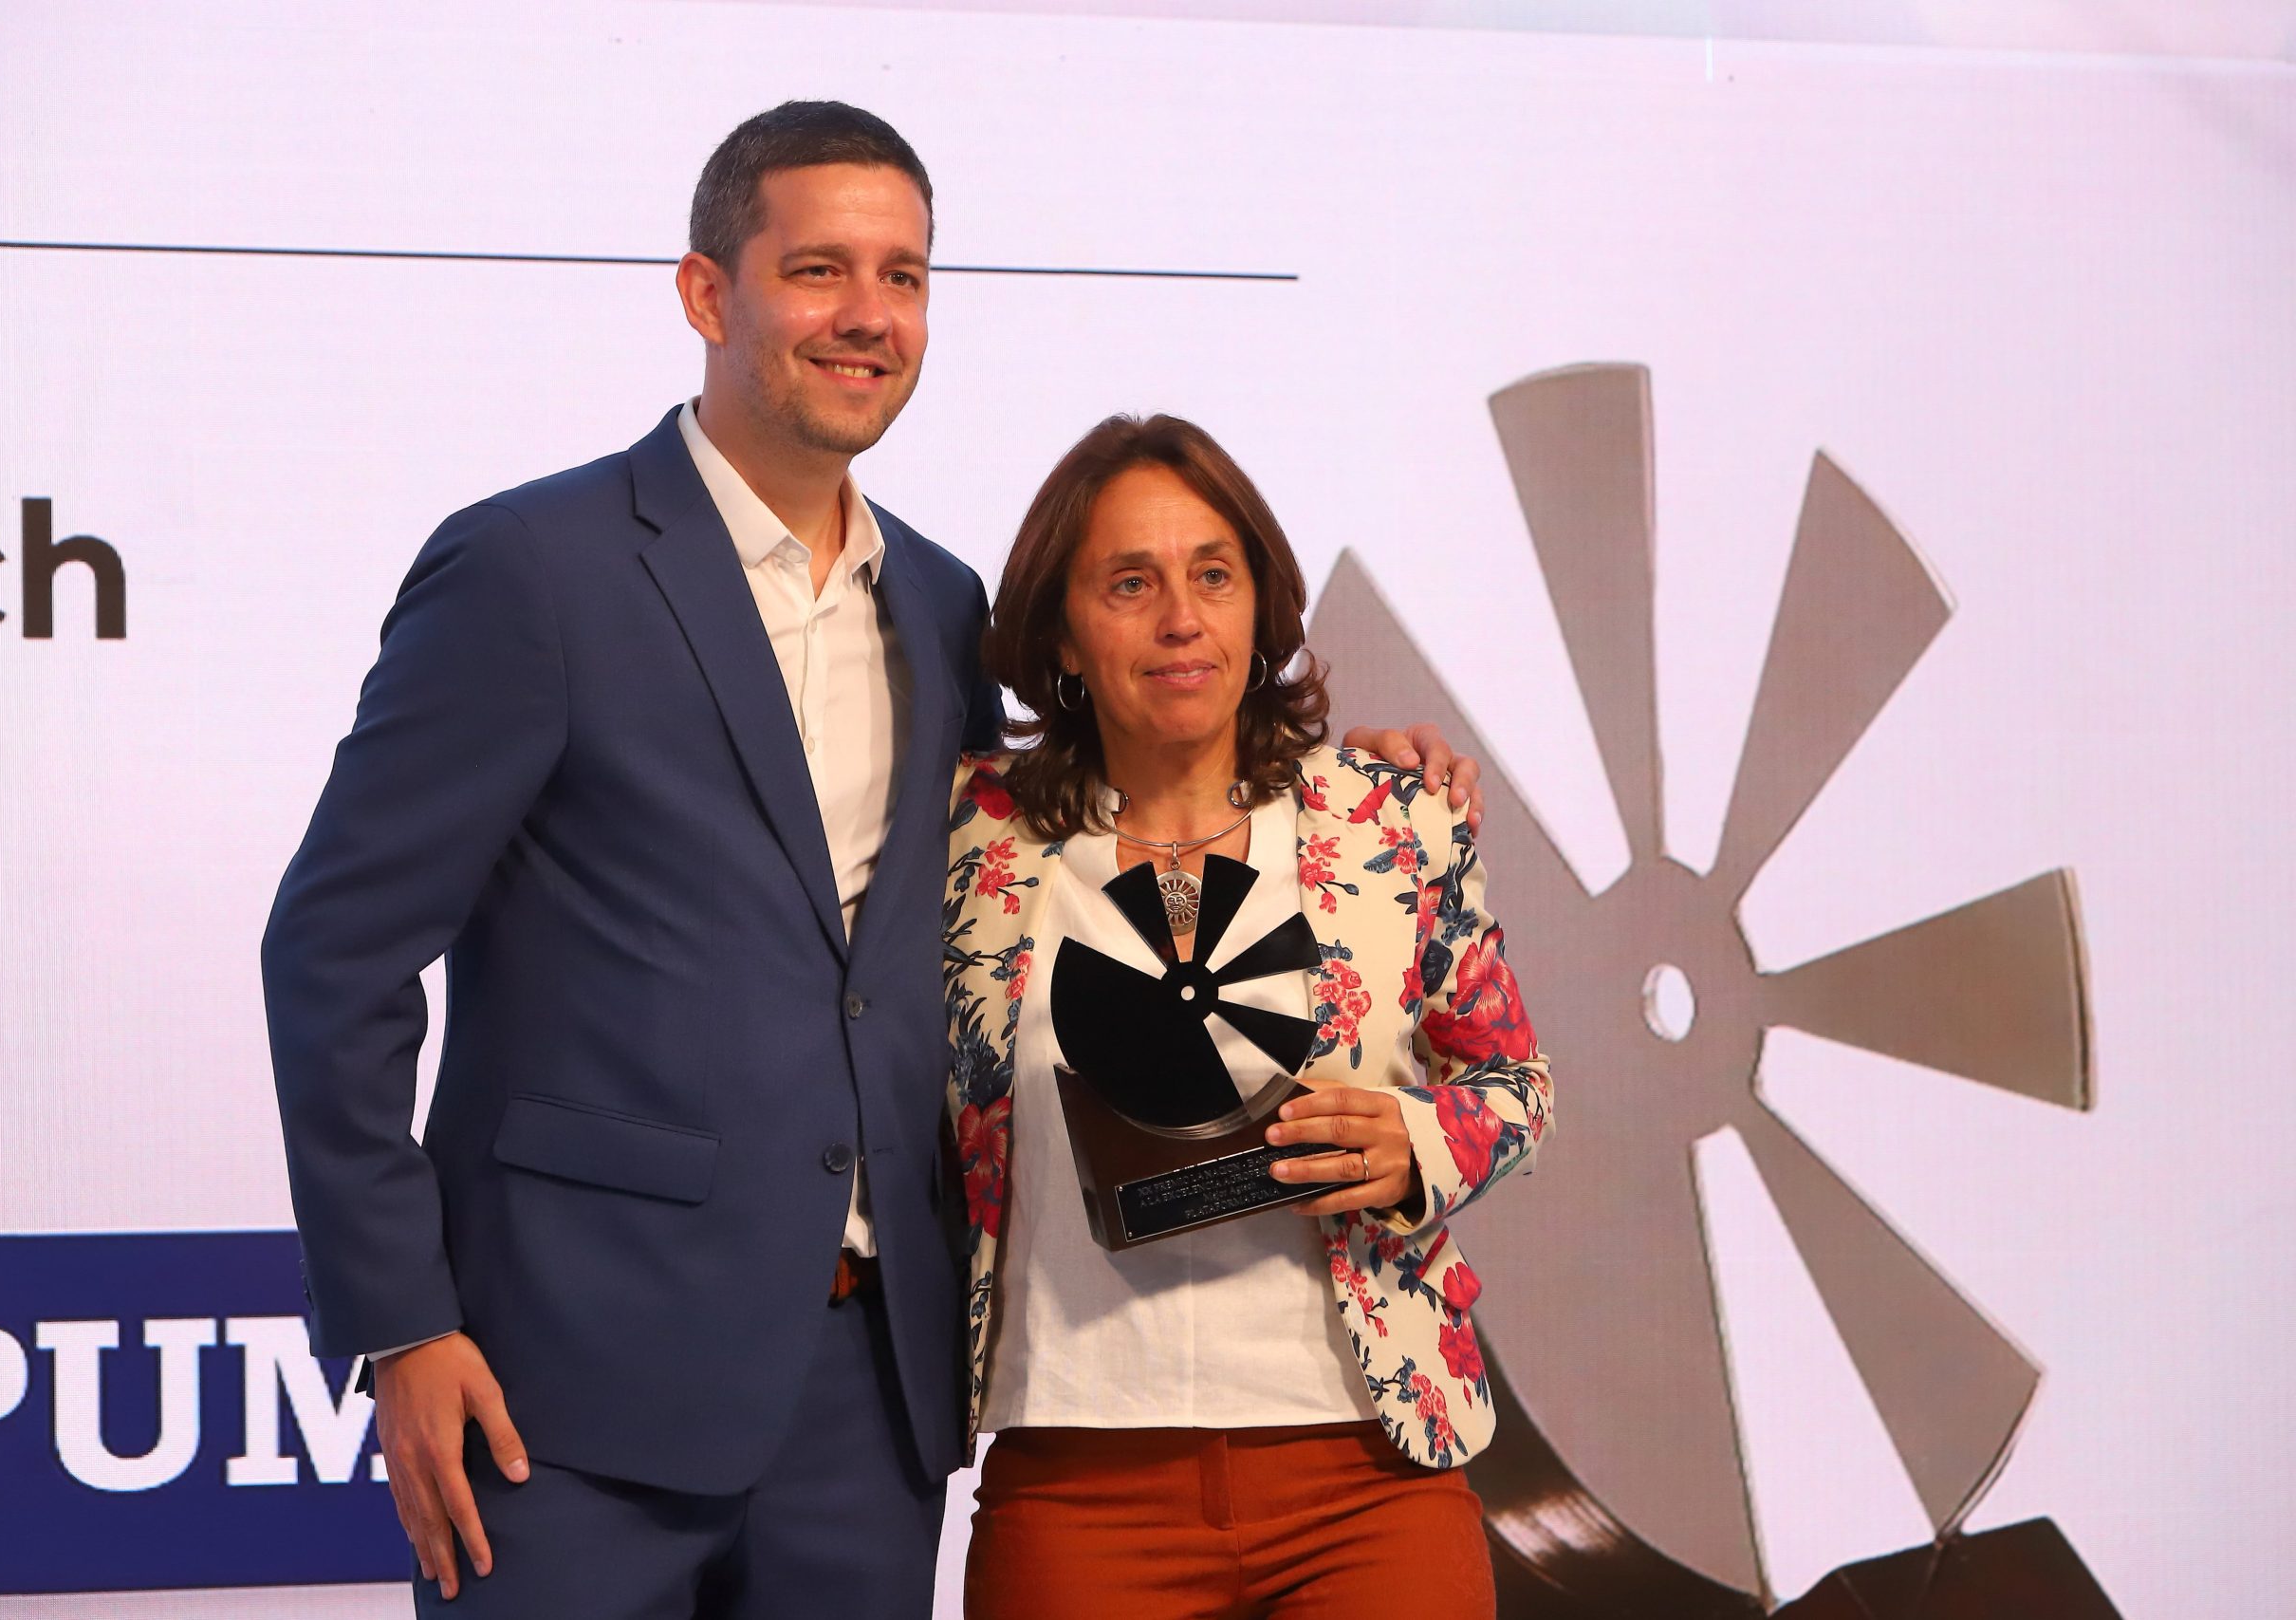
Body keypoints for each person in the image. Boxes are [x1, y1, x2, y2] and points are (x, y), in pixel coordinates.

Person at [262, 102, 1478, 1618]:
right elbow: (335, 950)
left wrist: (1365, 771)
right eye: (819, 269)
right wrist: (401, 1321)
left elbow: (1109, 810)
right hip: (565, 1390)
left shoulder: (944, 607)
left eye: (903, 276)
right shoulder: (531, 570)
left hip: (867, 1401)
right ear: (708, 293)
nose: (867, 315)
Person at [945, 413, 1554, 1619]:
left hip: (1366, 1473)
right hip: (1077, 1475)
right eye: (1131, 582)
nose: (1182, 618)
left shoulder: (1388, 823)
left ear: (1258, 606)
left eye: (1212, 576)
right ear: (1062, 634)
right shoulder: (969, 841)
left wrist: (1415, 1145)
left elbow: (1514, 1083)